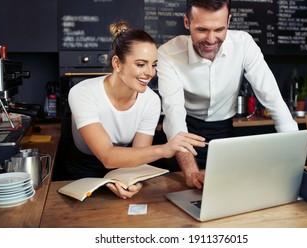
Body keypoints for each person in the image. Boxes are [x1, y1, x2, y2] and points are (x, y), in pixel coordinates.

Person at [157, 0, 298, 189]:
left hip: (224, 130)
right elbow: (174, 113)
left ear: (229, 21)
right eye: (202, 29)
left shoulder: (244, 45)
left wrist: (294, 157)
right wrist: (190, 171)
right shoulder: (168, 54)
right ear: (187, 22)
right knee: (184, 192)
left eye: (219, 29)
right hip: (186, 131)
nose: (211, 39)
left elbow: (272, 99)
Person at [67, 21, 205, 199]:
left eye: (154, 64)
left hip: (126, 162)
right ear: (117, 63)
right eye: (141, 64)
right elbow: (107, 156)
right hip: (83, 168)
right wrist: (165, 149)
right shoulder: (82, 92)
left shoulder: (151, 101)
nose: (150, 72)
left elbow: (139, 158)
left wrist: (132, 181)